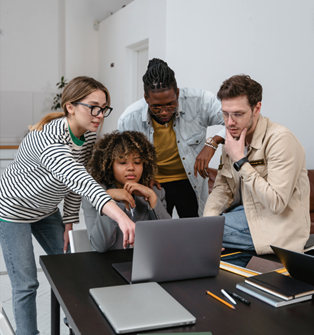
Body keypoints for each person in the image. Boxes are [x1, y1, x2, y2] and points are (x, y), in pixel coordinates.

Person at [0, 76, 135, 335]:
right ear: (70, 106)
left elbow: (74, 181)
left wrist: (69, 220)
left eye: (104, 108)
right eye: (93, 107)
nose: (99, 115)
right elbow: (79, 179)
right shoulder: (49, 139)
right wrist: (121, 217)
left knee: (73, 268)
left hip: (46, 209)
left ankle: (75, 324)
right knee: (26, 283)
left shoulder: (87, 136)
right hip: (13, 210)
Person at [203, 74, 310, 255]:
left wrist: (240, 161)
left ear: (256, 108)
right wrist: (208, 224)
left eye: (238, 114)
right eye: (225, 114)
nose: (229, 123)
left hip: (277, 225)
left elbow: (276, 204)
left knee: (189, 236)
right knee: (199, 230)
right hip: (245, 214)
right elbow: (223, 188)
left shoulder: (281, 140)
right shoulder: (233, 137)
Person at [118, 58, 225, 218]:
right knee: (159, 233)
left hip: (191, 181)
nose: (164, 112)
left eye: (170, 104)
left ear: (177, 93)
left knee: (194, 230)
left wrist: (213, 142)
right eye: (156, 107)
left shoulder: (200, 101)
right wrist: (144, 176)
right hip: (156, 184)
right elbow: (124, 157)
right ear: (146, 98)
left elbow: (235, 120)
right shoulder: (129, 118)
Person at [82, 130, 171, 252]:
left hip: (146, 265)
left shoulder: (155, 191)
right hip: (108, 266)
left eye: (137, 162)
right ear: (109, 165)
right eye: (122, 162)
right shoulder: (94, 193)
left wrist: (152, 197)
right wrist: (110, 198)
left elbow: (169, 238)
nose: (131, 168)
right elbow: (100, 246)